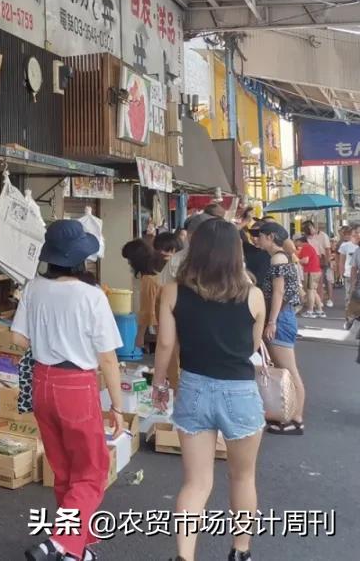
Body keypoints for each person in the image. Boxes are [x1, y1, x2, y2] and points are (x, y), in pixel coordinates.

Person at [152, 218, 266, 561]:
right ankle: (240, 552)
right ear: (237, 254)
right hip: (240, 392)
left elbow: (165, 346)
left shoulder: (172, 291)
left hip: (194, 388)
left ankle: (184, 557)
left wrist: (159, 383)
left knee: (196, 483)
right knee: (243, 477)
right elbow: (252, 346)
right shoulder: (254, 296)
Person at [12, 220, 124, 561]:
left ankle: (77, 549)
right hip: (76, 384)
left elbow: (18, 338)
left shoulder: (34, 287)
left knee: (65, 469)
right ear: (81, 258)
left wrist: (49, 340)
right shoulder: (92, 295)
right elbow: (107, 358)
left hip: (43, 382)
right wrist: (117, 407)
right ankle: (59, 543)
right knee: (91, 471)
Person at [253, 221, 306, 435]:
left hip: (281, 317)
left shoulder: (277, 258)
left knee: (289, 370)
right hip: (285, 316)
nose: (257, 239)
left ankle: (296, 417)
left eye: (261, 235)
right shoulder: (283, 256)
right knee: (286, 369)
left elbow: (278, 292)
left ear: (271, 237)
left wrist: (272, 321)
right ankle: (291, 416)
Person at [122, 238, 166, 352]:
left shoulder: (148, 280)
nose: (129, 263)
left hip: (165, 327)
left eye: (129, 260)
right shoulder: (156, 274)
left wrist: (139, 336)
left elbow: (147, 310)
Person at [296, 235, 325, 318]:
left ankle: (310, 311)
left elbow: (305, 260)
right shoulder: (308, 247)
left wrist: (297, 260)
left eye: (296, 241)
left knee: (310, 291)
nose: (295, 243)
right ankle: (319, 310)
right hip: (315, 271)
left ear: (299, 241)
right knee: (313, 291)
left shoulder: (305, 247)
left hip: (310, 271)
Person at [336, 226, 358, 308]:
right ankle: (349, 311)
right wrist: (341, 274)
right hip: (349, 274)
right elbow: (341, 261)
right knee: (349, 293)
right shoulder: (345, 245)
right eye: (354, 233)